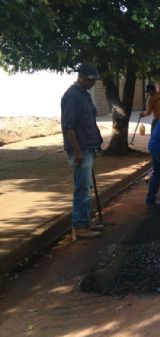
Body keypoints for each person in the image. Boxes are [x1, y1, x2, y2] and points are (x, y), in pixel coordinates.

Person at [60, 63, 104, 240]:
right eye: (92, 80)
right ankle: (79, 227)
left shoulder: (84, 95)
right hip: (80, 150)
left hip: (88, 148)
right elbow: (68, 127)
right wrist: (77, 151)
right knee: (82, 189)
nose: (93, 83)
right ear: (82, 76)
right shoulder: (72, 96)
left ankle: (85, 221)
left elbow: (88, 122)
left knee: (87, 187)